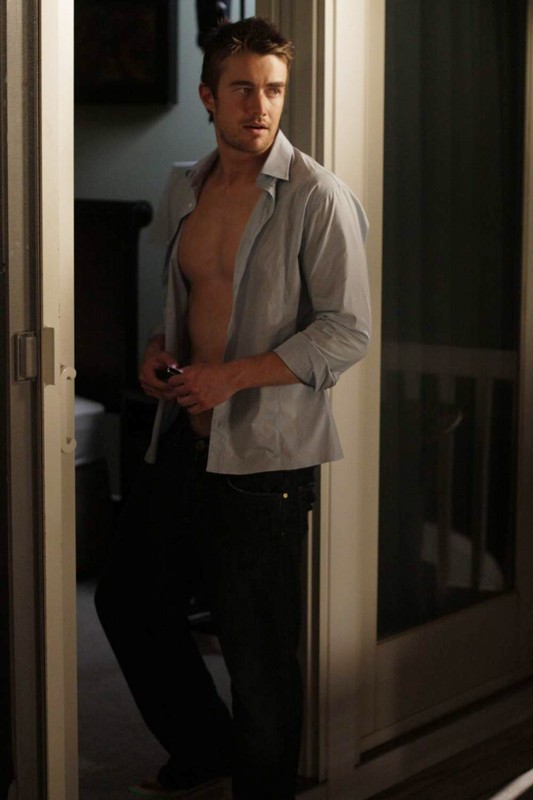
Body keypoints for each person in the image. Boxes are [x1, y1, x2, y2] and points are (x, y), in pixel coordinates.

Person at [95, 16, 371, 800]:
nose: (260, 106)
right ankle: (205, 747)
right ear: (207, 96)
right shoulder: (184, 184)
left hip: (264, 462)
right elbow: (188, 303)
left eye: (273, 89)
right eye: (243, 89)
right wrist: (159, 352)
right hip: (183, 438)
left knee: (257, 657)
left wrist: (232, 378)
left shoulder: (317, 196)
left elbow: (348, 331)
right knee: (127, 600)